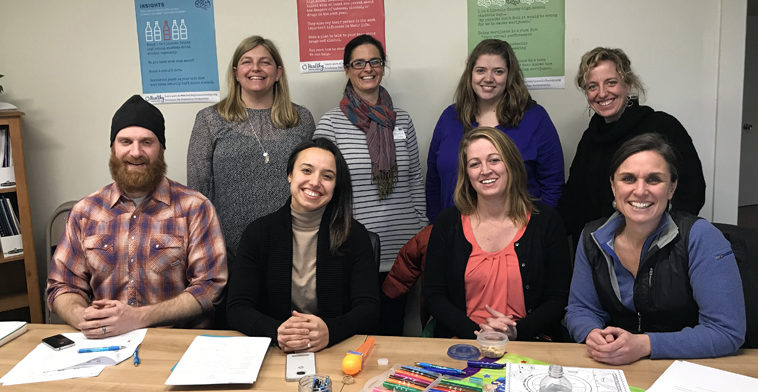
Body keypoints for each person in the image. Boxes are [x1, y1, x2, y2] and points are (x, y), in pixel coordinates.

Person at [47, 95, 227, 338]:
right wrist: (83, 317)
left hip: (177, 344)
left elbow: (210, 287)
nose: (135, 152)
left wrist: (138, 318)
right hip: (104, 341)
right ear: (113, 148)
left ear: (161, 148)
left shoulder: (194, 208)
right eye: (125, 141)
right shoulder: (85, 212)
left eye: (146, 142)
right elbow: (62, 285)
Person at [565, 133, 745, 365]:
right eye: (628, 179)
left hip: (691, 367)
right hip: (617, 365)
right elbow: (580, 309)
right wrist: (591, 334)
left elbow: (726, 331)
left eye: (653, 180)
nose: (640, 191)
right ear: (613, 186)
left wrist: (645, 344)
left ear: (671, 188)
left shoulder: (701, 237)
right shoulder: (592, 237)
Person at [227, 138, 380, 352]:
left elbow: (369, 308)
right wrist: (277, 331)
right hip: (274, 350)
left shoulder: (354, 235)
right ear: (290, 175)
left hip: (336, 349)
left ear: (336, 186)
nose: (315, 182)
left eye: (327, 176)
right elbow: (237, 307)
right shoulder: (258, 233)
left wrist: (331, 330)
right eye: (306, 171)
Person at [423, 127, 571, 341]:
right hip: (463, 341)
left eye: (494, 160)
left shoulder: (547, 222)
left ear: (510, 164)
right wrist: (478, 333)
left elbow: (558, 297)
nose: (485, 170)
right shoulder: (448, 223)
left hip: (531, 342)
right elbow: (434, 296)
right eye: (475, 164)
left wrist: (516, 331)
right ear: (467, 174)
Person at [558, 47, 706, 247]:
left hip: (655, 248)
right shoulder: (590, 138)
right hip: (601, 250)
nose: (602, 93)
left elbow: (692, 192)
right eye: (592, 86)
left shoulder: (663, 127)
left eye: (611, 82)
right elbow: (574, 200)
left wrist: (658, 241)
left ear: (627, 85)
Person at [187, 35, 315, 258]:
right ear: (236, 72)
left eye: (265, 62)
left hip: (293, 243)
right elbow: (199, 191)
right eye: (247, 61)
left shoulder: (301, 119)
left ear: (278, 72)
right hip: (228, 249)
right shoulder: (209, 119)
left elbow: (311, 182)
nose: (256, 68)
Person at [313, 34, 427, 274]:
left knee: (396, 313)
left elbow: (415, 176)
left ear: (383, 68)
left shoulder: (402, 120)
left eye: (375, 62)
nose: (368, 68)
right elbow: (319, 186)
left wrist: (421, 224)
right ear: (347, 70)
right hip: (354, 245)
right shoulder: (330, 123)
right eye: (359, 63)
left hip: (405, 245)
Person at [426, 39, 564, 223]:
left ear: (509, 76)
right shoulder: (450, 118)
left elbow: (553, 184)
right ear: (470, 74)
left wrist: (536, 229)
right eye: (481, 70)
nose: (488, 78)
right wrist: (438, 225)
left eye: (498, 71)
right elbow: (433, 180)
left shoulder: (535, 118)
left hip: (518, 234)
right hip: (454, 232)